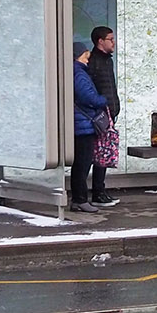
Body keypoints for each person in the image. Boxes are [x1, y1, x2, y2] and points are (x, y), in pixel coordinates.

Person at [69, 40, 109, 214]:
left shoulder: (74, 72)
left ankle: (79, 199)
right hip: (83, 126)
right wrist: (103, 100)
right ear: (79, 55)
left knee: (80, 163)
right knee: (82, 164)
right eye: (86, 54)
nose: (88, 58)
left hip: (80, 124)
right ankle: (80, 200)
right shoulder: (79, 73)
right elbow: (88, 97)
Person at [85, 26, 120, 208]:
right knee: (96, 153)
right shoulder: (94, 62)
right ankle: (96, 192)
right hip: (99, 115)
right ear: (100, 41)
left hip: (109, 113)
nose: (113, 42)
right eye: (110, 39)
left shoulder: (107, 60)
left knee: (104, 152)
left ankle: (100, 190)